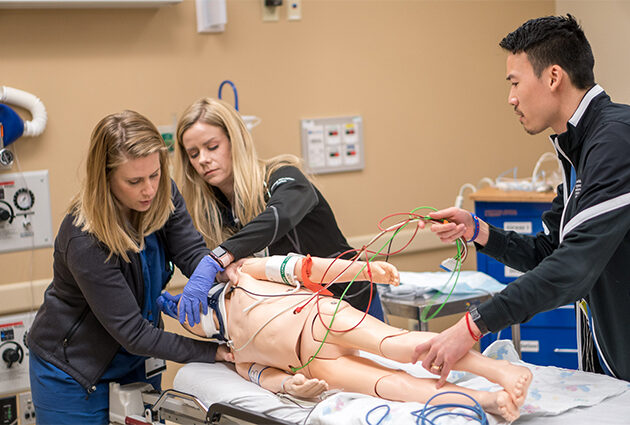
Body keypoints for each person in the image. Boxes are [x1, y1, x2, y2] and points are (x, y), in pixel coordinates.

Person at [413, 14, 630, 385]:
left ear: (553, 77)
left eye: (515, 82)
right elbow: (551, 252)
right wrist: (479, 231)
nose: (511, 99)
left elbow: (573, 269)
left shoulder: (616, 140)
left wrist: (473, 325)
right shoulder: (579, 148)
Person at [26, 110, 232, 424]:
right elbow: (133, 333)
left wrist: (219, 272)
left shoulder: (162, 194)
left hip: (136, 359)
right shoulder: (85, 237)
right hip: (72, 372)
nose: (149, 189)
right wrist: (215, 353)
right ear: (106, 178)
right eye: (134, 181)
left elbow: (190, 253)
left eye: (155, 175)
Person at [159, 255, 532, 423]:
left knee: (403, 346)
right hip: (318, 365)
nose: (194, 319)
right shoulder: (235, 356)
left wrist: (364, 271)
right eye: (187, 320)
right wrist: (293, 385)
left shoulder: (245, 273)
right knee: (394, 386)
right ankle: (488, 400)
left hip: (322, 319)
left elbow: (311, 267)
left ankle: (498, 370)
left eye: (191, 308)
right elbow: (265, 377)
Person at [172, 97, 384, 326]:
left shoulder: (284, 178)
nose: (204, 159)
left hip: (352, 306)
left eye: (212, 147)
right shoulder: (213, 211)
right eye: (193, 154)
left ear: (236, 141)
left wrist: (219, 256)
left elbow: (280, 215)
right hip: (296, 319)